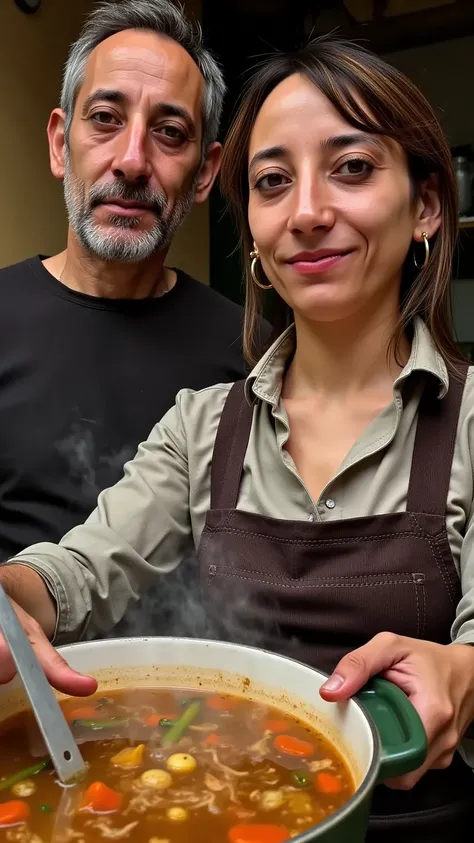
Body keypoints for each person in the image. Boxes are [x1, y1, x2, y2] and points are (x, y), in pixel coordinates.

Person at [0, 34, 474, 842]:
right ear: (252, 229)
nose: (308, 211)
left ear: (426, 205)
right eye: (272, 181)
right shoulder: (201, 424)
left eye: (352, 167)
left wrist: (468, 671)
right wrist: (11, 597)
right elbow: (77, 569)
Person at [0, 0, 253, 563]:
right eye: (106, 119)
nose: (133, 161)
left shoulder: (249, 352)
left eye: (169, 131)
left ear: (206, 172)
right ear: (59, 143)